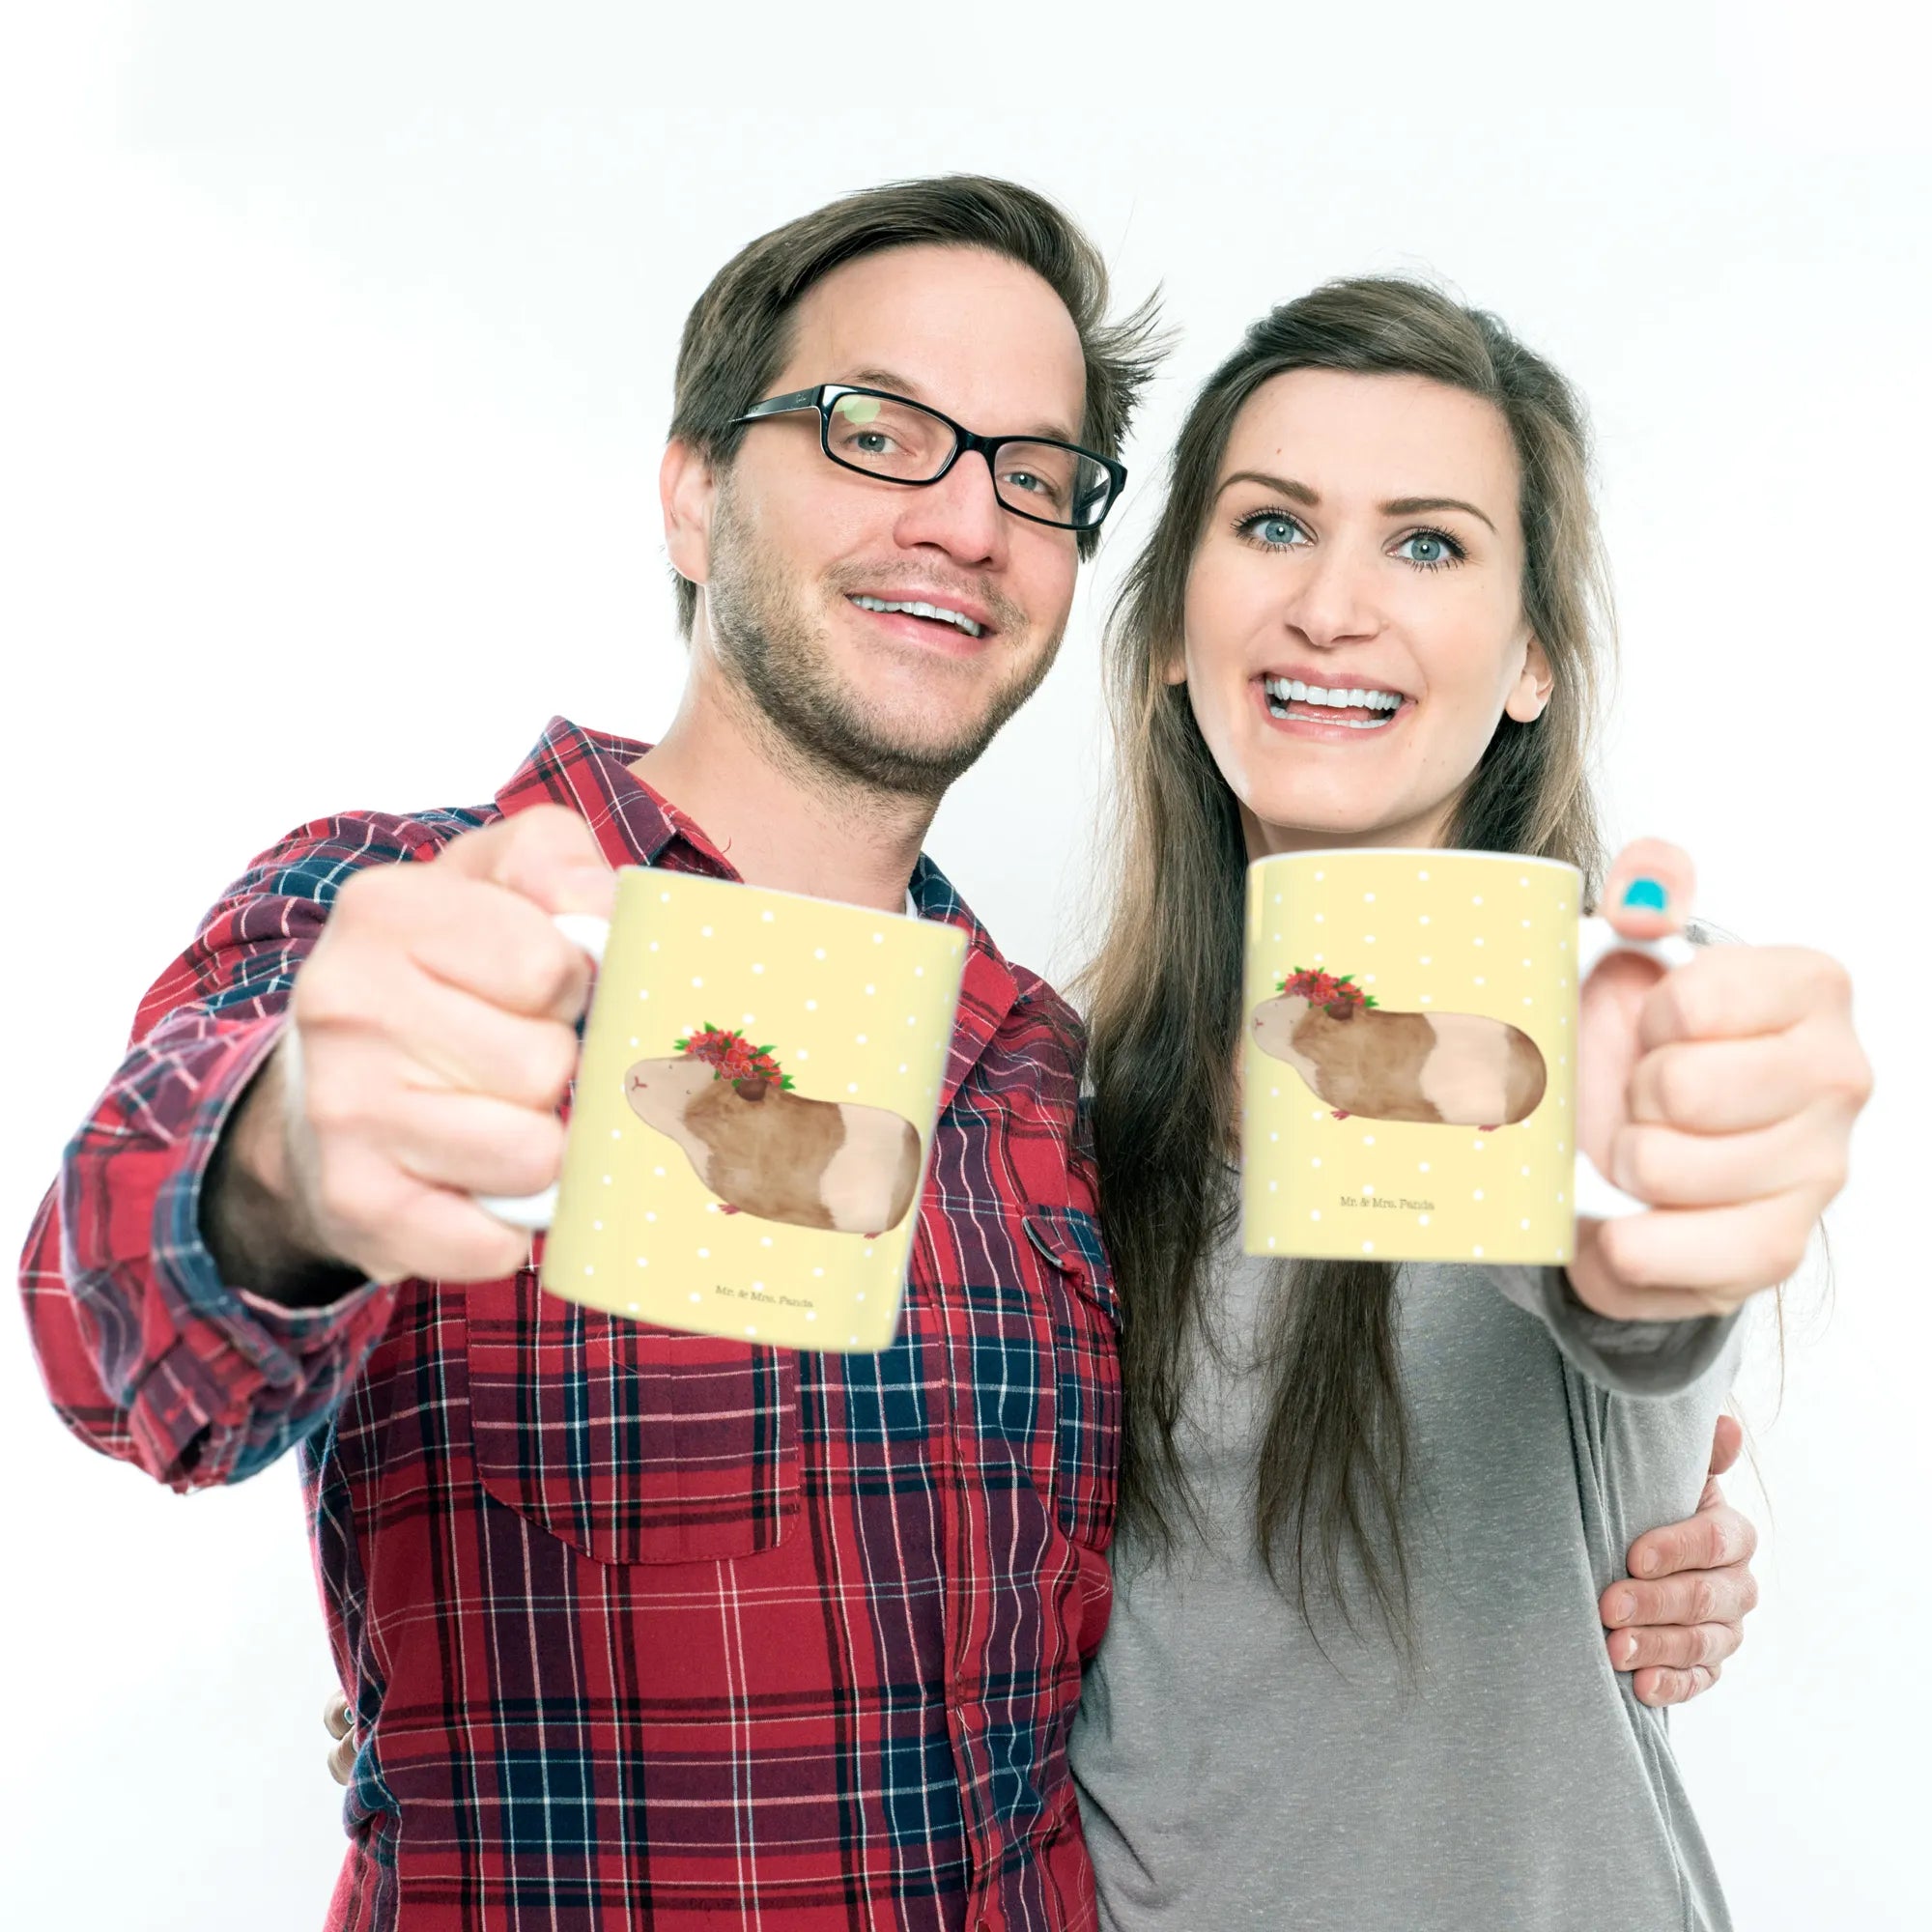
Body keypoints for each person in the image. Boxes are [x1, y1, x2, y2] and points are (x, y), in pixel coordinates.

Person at [21, 179, 1763, 1931]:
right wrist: (286, 1165)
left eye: (1032, 474)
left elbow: (1271, 1576)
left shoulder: (1046, 1087)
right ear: (694, 491)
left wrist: (1631, 1508)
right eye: (878, 432)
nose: (964, 519)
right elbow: (117, 1329)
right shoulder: (408, 922)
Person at [1067, 277, 1871, 1930]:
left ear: (1530, 663)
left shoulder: (1606, 1029)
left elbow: (1638, 1293)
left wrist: (1668, 1211)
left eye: (1427, 545)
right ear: (1168, 630)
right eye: (1273, 526)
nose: (1333, 607)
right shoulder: (1061, 1101)